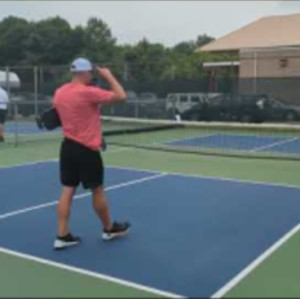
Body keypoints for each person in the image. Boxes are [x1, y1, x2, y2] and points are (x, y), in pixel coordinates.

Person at [53, 57, 129, 250]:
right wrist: (109, 76)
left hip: (68, 147)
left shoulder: (60, 92)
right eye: (91, 73)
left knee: (67, 190)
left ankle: (62, 235)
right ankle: (109, 228)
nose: (92, 76)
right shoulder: (88, 92)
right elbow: (121, 96)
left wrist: (97, 135)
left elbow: (75, 117)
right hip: (86, 150)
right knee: (97, 190)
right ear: (84, 73)